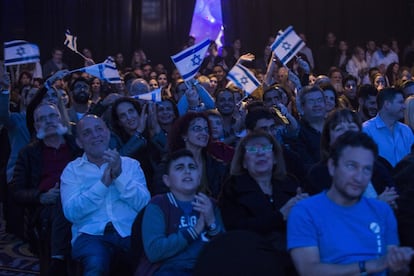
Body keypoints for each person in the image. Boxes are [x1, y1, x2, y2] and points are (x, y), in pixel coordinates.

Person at [288, 131, 414, 275]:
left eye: (367, 169)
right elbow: (309, 270)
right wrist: (368, 266)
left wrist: (401, 264)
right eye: (351, 166)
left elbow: (393, 267)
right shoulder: (305, 212)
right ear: (332, 167)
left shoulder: (382, 211)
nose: (359, 177)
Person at [60, 114, 151, 275]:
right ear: (79, 142)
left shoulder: (130, 165)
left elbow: (144, 204)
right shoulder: (72, 170)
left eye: (99, 129)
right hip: (91, 235)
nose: (95, 135)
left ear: (108, 133)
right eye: (87, 133)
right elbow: (72, 212)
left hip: (128, 230)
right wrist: (102, 185)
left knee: (147, 264)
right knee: (96, 263)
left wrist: (119, 176)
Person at [219, 131, 307, 275]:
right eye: (252, 150)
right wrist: (280, 216)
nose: (260, 154)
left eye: (266, 148)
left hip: (294, 256)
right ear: (244, 162)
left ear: (274, 158)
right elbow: (236, 229)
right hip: (252, 259)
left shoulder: (290, 183)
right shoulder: (233, 187)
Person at [11, 103, 82, 275]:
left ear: (59, 118)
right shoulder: (28, 153)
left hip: (80, 199)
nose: (48, 121)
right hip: (45, 208)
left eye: (52, 116)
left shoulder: (77, 145)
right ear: (36, 126)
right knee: (60, 204)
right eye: (42, 119)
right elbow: (16, 191)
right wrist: (41, 196)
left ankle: (59, 260)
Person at [136, 149, 224, 275]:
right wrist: (194, 231)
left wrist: (211, 222)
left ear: (199, 178)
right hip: (170, 269)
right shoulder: (159, 204)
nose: (187, 171)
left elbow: (225, 250)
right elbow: (154, 251)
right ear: (167, 180)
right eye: (179, 168)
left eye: (192, 167)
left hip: (207, 267)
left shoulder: (210, 204)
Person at [305, 109, 398, 209]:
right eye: (339, 129)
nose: (346, 132)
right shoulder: (318, 174)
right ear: (328, 139)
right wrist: (376, 205)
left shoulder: (380, 164)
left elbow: (394, 197)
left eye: (352, 127)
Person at [363, 87, 414, 167]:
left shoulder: (406, 130)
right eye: (400, 102)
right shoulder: (367, 130)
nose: (404, 107)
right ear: (387, 104)